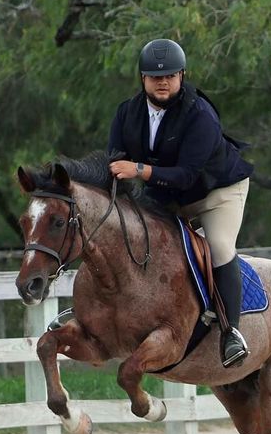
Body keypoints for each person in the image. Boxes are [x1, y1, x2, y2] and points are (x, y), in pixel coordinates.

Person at [107, 38, 254, 368]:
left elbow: (187, 176)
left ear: (182, 76)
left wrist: (140, 170)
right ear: (142, 79)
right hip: (168, 192)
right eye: (155, 76)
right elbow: (114, 161)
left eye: (170, 76)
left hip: (218, 191)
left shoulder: (200, 114)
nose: (163, 82)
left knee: (217, 245)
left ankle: (232, 332)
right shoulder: (127, 113)